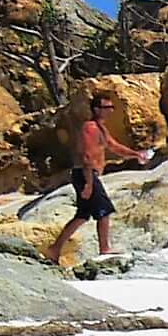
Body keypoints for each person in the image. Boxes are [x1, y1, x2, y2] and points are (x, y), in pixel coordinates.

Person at [54, 81, 148, 273]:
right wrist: (89, 183)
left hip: (87, 175)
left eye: (111, 107)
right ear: (96, 109)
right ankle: (105, 248)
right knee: (104, 210)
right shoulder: (90, 128)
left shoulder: (101, 128)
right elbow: (87, 155)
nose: (110, 111)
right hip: (86, 173)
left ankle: (55, 249)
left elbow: (114, 147)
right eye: (107, 107)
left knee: (82, 215)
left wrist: (136, 154)